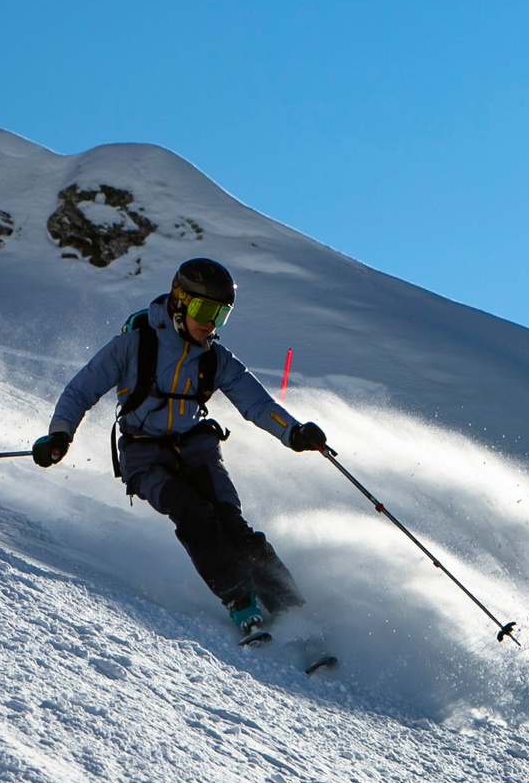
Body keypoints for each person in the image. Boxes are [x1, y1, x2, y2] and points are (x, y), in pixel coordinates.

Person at [33, 258, 327, 641]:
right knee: (193, 514)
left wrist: (295, 433)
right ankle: (241, 603)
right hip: (143, 454)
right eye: (205, 311)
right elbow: (80, 390)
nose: (210, 324)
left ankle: (292, 610)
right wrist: (60, 434)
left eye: (221, 316)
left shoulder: (215, 359)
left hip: (196, 449)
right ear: (180, 301)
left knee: (232, 523)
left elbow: (257, 404)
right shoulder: (133, 346)